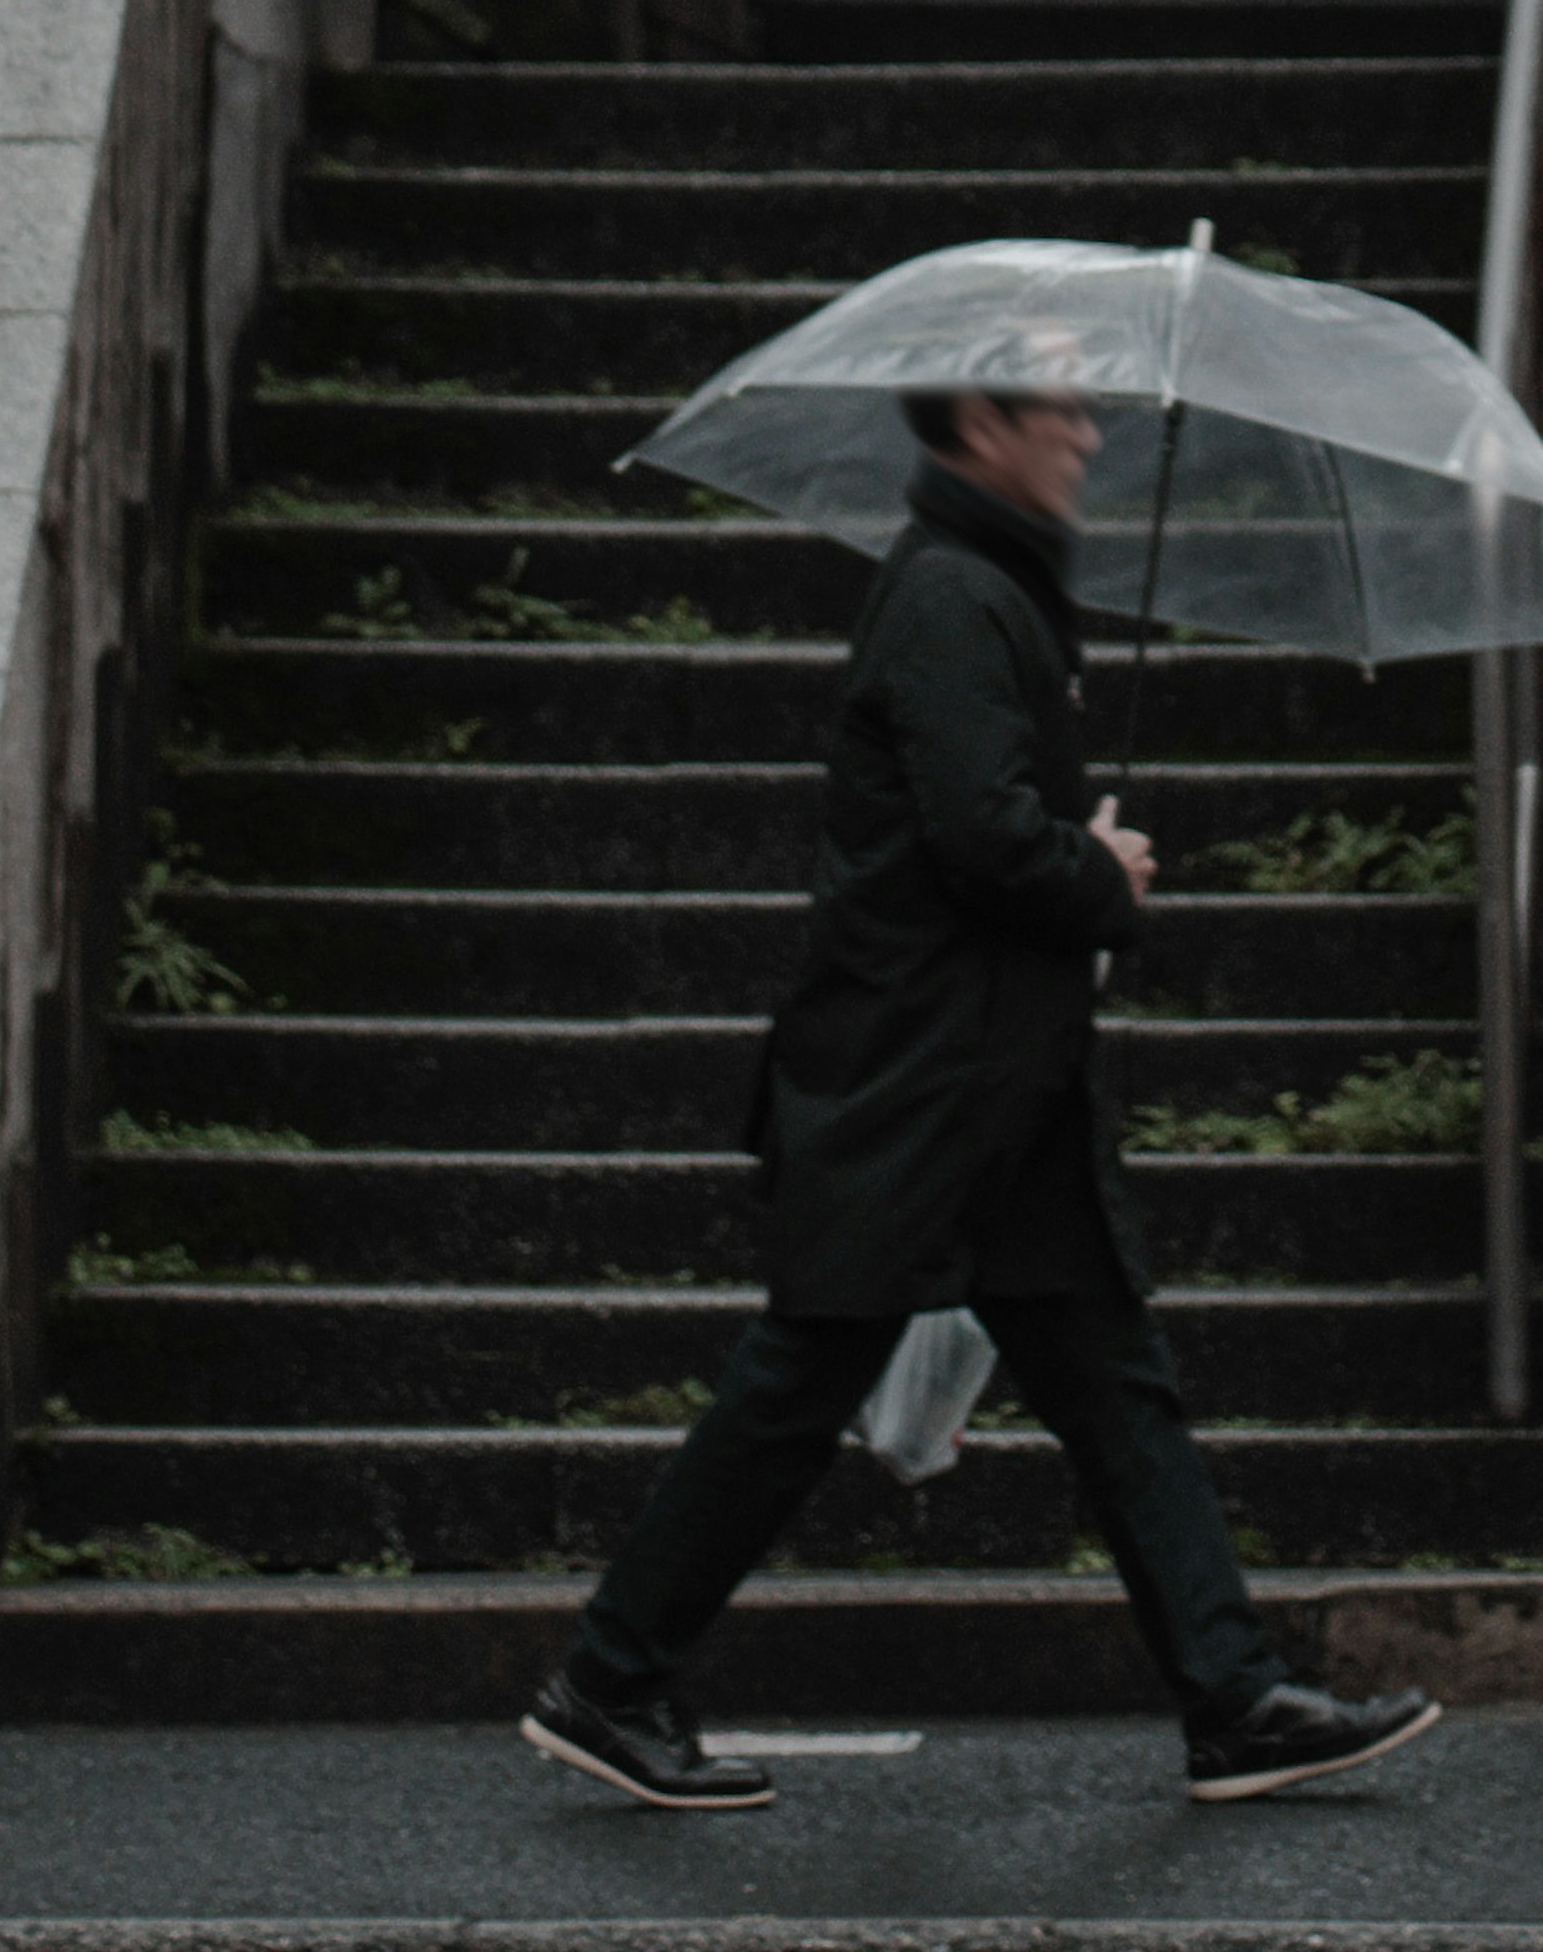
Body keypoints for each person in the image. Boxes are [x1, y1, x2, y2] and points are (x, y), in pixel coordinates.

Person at [525, 372, 1440, 1813]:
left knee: (1113, 1379)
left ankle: (1231, 1694)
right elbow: (979, 836)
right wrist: (1102, 873)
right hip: (918, 1087)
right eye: (1059, 411)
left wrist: (1069, 854)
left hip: (992, 1092)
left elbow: (984, 812)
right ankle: (611, 1674)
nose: (1085, 433)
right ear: (977, 426)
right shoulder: (953, 593)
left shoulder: (990, 584)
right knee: (797, 1381)